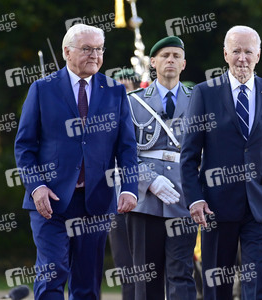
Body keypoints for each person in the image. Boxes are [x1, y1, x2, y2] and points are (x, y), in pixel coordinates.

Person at [14, 24, 138, 299]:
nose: (94, 54)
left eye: (98, 49)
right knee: (53, 271)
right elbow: (24, 146)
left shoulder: (115, 91)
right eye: (87, 49)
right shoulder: (42, 89)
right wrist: (37, 187)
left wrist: (130, 187)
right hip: (50, 200)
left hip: (95, 201)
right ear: (67, 52)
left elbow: (127, 147)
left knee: (87, 281)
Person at [180, 25, 262, 300]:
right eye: (236, 51)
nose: (242, 58)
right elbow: (189, 155)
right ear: (225, 54)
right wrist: (195, 199)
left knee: (256, 281)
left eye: (248, 52)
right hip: (216, 205)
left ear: (258, 55)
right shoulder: (204, 93)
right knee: (217, 281)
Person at [125, 36, 197, 300]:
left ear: (184, 63)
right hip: (145, 200)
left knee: (181, 274)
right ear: (153, 62)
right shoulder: (133, 101)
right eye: (165, 55)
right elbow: (123, 152)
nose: (171, 60)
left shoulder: (198, 99)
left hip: (183, 196)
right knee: (147, 277)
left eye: (176, 56)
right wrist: (149, 180)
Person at [107, 67, 142, 300]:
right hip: (114, 200)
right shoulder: (106, 119)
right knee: (125, 266)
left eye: (126, 88)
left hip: (146, 201)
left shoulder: (145, 118)